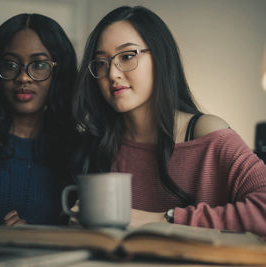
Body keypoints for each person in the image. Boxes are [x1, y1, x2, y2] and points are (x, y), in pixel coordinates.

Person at [72, 5, 266, 237]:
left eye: (127, 56)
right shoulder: (98, 143)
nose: (112, 73)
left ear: (161, 58)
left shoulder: (206, 134)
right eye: (101, 63)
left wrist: (163, 219)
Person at [0, 13, 77, 226]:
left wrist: (34, 238)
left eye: (39, 65)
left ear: (59, 72)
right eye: (11, 65)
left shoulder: (75, 150)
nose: (23, 77)